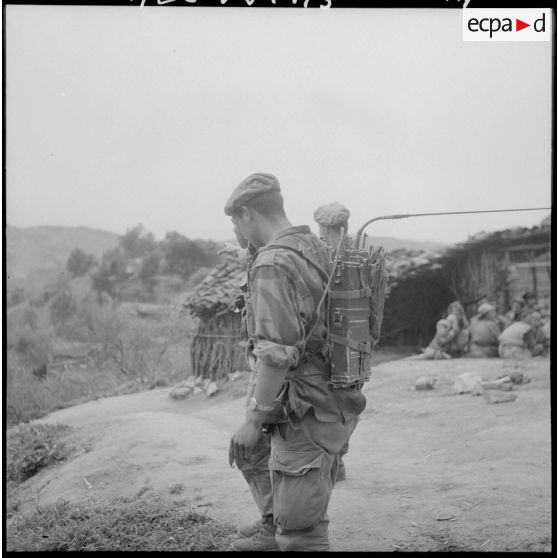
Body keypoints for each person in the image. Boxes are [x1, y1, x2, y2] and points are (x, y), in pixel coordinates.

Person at [225, 173, 365, 552]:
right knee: (256, 454)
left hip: (307, 404)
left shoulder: (273, 262)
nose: (239, 232)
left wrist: (255, 419)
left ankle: (287, 533)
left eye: (237, 223)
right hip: (330, 389)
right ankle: (273, 529)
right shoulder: (312, 244)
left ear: (247, 213)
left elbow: (275, 354)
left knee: (303, 537)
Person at [312, 201, 353, 483]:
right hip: (339, 342)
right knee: (338, 404)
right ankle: (335, 462)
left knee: (338, 405)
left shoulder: (340, 255)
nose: (322, 234)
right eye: (321, 229)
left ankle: (335, 461)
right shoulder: (354, 252)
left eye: (325, 229)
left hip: (339, 343)